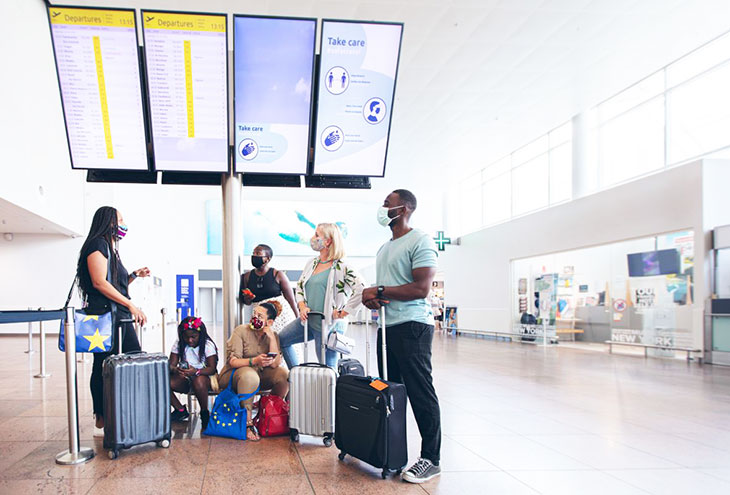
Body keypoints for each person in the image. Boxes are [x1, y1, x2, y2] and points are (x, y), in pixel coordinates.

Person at [362, 189, 442, 484]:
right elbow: (387, 290)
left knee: (420, 393)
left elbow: (421, 288)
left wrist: (380, 290)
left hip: (413, 327)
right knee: (391, 394)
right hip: (387, 327)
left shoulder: (421, 240)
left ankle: (431, 459)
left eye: (388, 203)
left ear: (404, 208)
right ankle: (394, 453)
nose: (383, 208)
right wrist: (373, 299)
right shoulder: (384, 248)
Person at [76, 206, 149, 436]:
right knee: (105, 364)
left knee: (127, 359)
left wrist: (134, 275)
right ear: (108, 222)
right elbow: (99, 282)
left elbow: (115, 284)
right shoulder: (97, 244)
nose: (123, 224)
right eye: (120, 220)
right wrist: (131, 305)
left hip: (118, 316)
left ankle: (119, 411)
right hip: (108, 317)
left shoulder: (110, 248)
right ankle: (102, 417)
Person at [278, 223, 365, 369]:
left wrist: (343, 312)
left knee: (327, 367)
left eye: (317, 235)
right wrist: (302, 306)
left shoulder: (343, 266)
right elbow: (300, 286)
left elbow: (362, 289)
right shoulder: (312, 263)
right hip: (308, 320)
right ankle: (297, 376)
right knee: (283, 339)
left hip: (329, 325)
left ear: (328, 241)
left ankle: (332, 385)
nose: (313, 238)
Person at [217, 301, 288, 441]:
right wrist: (254, 361)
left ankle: (268, 412)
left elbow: (275, 364)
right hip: (234, 374)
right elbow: (233, 361)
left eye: (260, 316)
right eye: (254, 314)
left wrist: (271, 338)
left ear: (269, 322)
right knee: (250, 376)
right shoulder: (241, 331)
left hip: (259, 374)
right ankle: (247, 423)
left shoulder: (273, 335)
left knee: (283, 374)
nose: (255, 317)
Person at [169, 316, 218, 431]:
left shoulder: (207, 345)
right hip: (185, 378)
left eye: (193, 337)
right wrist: (176, 370)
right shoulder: (179, 344)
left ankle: (204, 412)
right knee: (164, 383)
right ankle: (180, 410)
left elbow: (212, 369)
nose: (190, 340)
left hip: (204, 377)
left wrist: (196, 371)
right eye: (186, 337)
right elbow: (171, 365)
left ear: (200, 335)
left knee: (198, 380)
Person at [239, 244, 298, 333]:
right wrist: (248, 298)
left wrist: (298, 320)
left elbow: (291, 300)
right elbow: (246, 302)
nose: (254, 256)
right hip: (260, 317)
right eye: (253, 253)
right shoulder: (246, 277)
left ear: (267, 259)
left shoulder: (278, 274)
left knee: (283, 340)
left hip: (281, 316)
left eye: (258, 253)